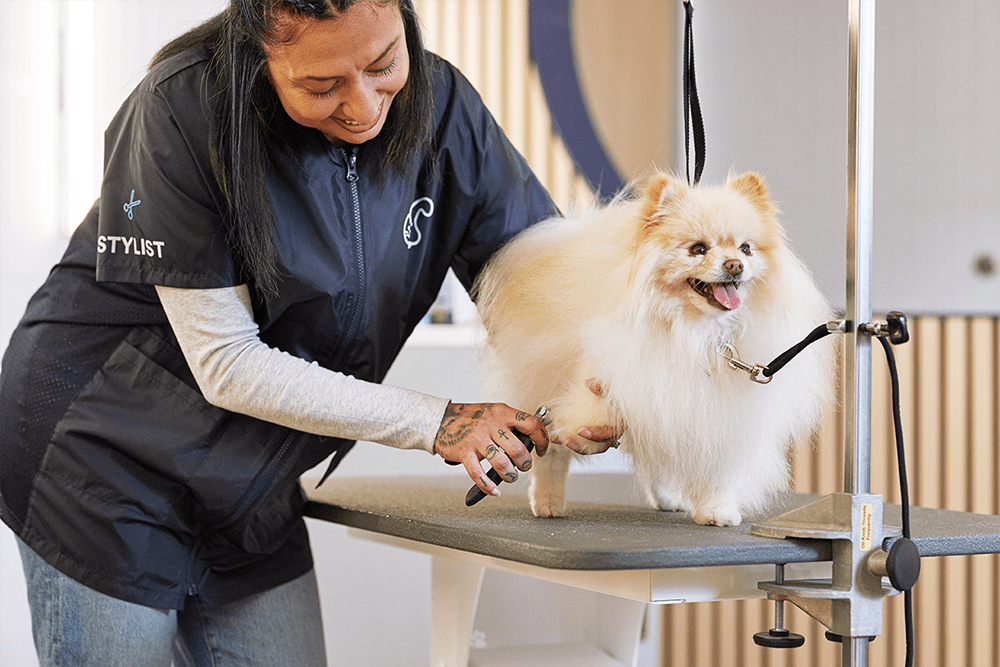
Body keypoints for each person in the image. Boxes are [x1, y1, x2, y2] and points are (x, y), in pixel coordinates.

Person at [0, 1, 618, 665]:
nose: (362, 106)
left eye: (384, 64)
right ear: (260, 48)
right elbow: (228, 363)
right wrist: (437, 421)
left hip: (250, 484)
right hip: (103, 464)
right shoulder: (182, 109)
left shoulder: (445, 112)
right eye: (322, 86)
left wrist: (585, 389)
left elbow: (533, 282)